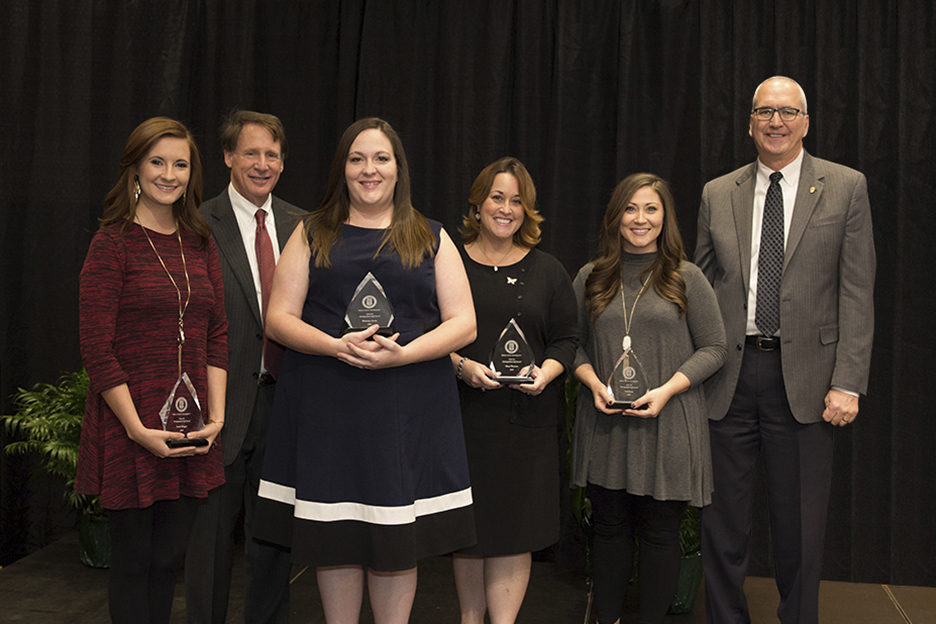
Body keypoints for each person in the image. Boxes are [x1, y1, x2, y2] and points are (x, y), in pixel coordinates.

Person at [252, 117, 477, 624]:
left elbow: (464, 324)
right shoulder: (311, 231)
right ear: (342, 169)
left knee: (395, 537)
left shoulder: (432, 236)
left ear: (399, 169)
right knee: (339, 533)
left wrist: (404, 353)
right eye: (357, 159)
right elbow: (279, 318)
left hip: (407, 411)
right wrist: (334, 345)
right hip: (329, 408)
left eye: (381, 158)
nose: (368, 169)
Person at [694, 76, 875, 624]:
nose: (776, 121)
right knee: (721, 523)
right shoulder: (716, 192)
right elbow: (699, 287)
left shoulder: (845, 186)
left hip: (809, 381)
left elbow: (857, 290)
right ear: (749, 122)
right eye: (764, 111)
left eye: (788, 112)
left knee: (800, 528)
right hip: (728, 375)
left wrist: (849, 380)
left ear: (805, 123)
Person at [76, 117, 227, 624]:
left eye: (180, 164)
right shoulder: (112, 243)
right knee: (135, 562)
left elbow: (217, 336)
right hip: (130, 429)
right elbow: (97, 348)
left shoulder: (200, 243)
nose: (169, 174)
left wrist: (217, 420)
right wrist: (137, 429)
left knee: (167, 561)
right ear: (136, 169)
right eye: (157, 162)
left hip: (190, 429)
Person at [571, 173, 726, 624]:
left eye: (651, 209)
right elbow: (572, 343)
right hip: (607, 426)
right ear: (616, 216)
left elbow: (715, 348)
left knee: (660, 535)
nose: (640, 219)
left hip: (669, 425)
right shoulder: (591, 276)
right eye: (631, 209)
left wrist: (667, 389)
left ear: (665, 217)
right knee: (609, 531)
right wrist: (592, 382)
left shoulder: (686, 277)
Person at [449, 157, 577, 624]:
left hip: (526, 426)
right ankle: (469, 619)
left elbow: (568, 337)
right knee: (470, 529)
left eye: (517, 201)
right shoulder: (450, 261)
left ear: (528, 210)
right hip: (463, 420)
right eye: (497, 198)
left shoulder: (549, 270)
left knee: (513, 530)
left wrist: (547, 370)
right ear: (478, 203)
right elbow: (426, 332)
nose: (506, 209)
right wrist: (460, 365)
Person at [185, 110, 297, 623]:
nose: (262, 163)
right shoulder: (196, 222)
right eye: (251, 152)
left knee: (274, 545)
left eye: (272, 154)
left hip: (287, 404)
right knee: (208, 546)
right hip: (219, 407)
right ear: (228, 157)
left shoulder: (303, 226)